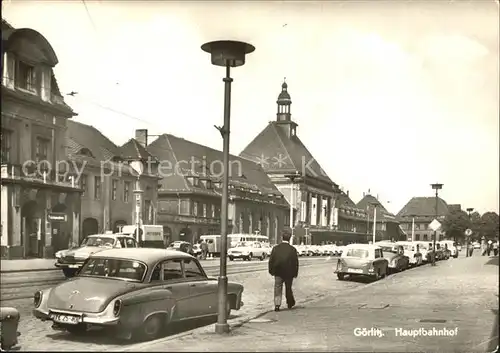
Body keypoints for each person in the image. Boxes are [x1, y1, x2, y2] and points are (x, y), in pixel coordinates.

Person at [268, 230, 299, 312]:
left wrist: (271, 271)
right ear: (289, 238)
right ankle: (289, 303)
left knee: (277, 288)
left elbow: (271, 261)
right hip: (289, 273)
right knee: (288, 288)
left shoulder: (276, 248)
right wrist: (295, 273)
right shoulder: (292, 249)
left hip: (278, 272)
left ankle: (277, 305)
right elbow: (295, 263)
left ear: (282, 238)